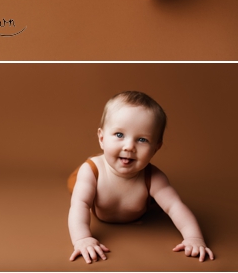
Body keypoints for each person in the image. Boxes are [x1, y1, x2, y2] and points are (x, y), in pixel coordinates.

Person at [68, 90, 214, 264]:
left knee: (163, 202)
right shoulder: (92, 171)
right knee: (77, 187)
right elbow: (80, 205)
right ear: (101, 138)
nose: (129, 147)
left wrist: (194, 238)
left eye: (142, 140)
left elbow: (175, 207)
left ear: (156, 148)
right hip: (92, 174)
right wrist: (82, 239)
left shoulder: (153, 177)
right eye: (119, 135)